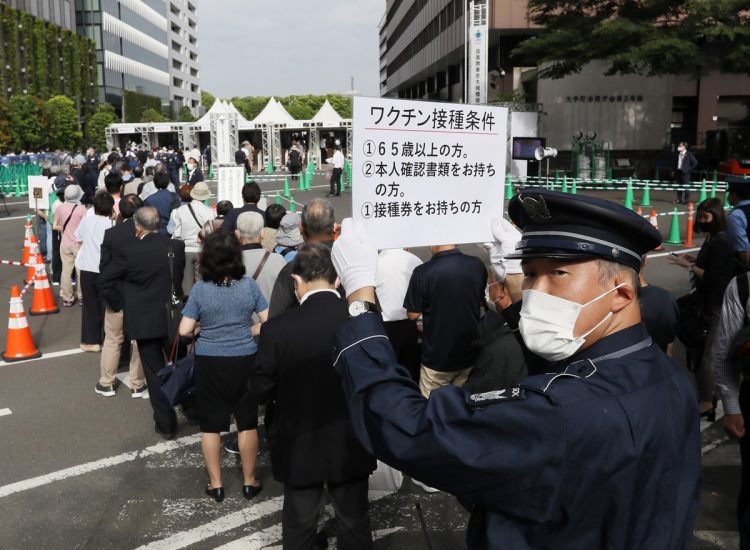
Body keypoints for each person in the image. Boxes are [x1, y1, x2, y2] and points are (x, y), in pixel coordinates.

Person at [330, 188, 700, 549]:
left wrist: (361, 298)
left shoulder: (558, 415)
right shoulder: (667, 377)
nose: (536, 291)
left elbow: (407, 428)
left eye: (557, 273)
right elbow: (567, 371)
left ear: (620, 294)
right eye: (529, 273)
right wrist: (512, 293)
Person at [248, 243, 375, 548]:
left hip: (299, 439)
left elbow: (260, 389)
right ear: (338, 280)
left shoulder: (277, 329)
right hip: (352, 437)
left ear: (296, 281)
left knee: (300, 524)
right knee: (354, 521)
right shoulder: (361, 322)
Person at [179, 230, 267, 502]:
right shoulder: (248, 286)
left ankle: (216, 484)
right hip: (244, 357)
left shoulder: (200, 290)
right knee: (247, 422)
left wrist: (202, 328)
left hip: (210, 360)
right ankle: (250, 482)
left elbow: (184, 331)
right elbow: (269, 320)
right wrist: (249, 329)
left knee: (210, 425)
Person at [97, 207, 186, 440]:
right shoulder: (175, 247)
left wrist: (121, 304)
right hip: (173, 317)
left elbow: (104, 280)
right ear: (159, 224)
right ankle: (192, 407)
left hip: (143, 319)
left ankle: (166, 423)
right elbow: (176, 279)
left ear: (137, 227)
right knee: (181, 365)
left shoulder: (128, 251)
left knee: (155, 372)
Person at [671, 198, 737, 419]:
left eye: (705, 217)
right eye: (699, 216)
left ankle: (708, 401)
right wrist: (694, 260)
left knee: (706, 352)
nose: (701, 220)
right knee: (700, 348)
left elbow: (713, 277)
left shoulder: (722, 241)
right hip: (707, 302)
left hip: (716, 304)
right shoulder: (714, 238)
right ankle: (708, 396)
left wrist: (689, 266)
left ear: (717, 217)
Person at [404, 244, 487, 398]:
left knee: (432, 408)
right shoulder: (477, 264)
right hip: (469, 353)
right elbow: (481, 300)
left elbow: (412, 314)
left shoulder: (423, 271)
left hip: (436, 358)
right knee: (462, 404)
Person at [96, 194, 146, 398]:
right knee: (139, 341)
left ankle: (106, 382)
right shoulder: (147, 233)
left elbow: (104, 268)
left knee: (113, 339)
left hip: (116, 295)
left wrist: (113, 299)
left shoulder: (111, 234)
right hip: (141, 295)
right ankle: (137, 383)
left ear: (121, 210)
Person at [269, 199, 336, 317]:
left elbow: (275, 318)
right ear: (333, 225)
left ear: (300, 227)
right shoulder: (346, 262)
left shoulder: (291, 270)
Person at [75, 192, 116, 352]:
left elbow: (77, 237)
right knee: (107, 305)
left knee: (90, 305)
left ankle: (91, 341)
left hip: (87, 267)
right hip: (105, 268)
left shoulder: (86, 221)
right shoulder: (111, 225)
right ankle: (108, 337)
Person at [375, 248, 423, 381]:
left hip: (382, 326)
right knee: (409, 371)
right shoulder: (414, 260)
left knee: (386, 373)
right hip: (409, 324)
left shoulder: (374, 262)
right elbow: (422, 294)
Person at [167, 183, 216, 293]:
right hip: (202, 250)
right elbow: (210, 234)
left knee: (186, 287)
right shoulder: (209, 212)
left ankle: (187, 307)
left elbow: (177, 233)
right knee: (202, 284)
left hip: (185, 249)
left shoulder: (180, 210)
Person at [236, 212, 286, 302]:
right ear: (263, 233)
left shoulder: (229, 262)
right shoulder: (278, 260)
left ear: (237, 234)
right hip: (271, 315)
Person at [52, 184, 86, 307]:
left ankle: (67, 298)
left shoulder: (60, 208)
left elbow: (54, 225)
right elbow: (85, 227)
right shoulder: (82, 209)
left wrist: (65, 229)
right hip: (79, 243)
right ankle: (82, 297)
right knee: (80, 271)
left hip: (65, 243)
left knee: (66, 271)